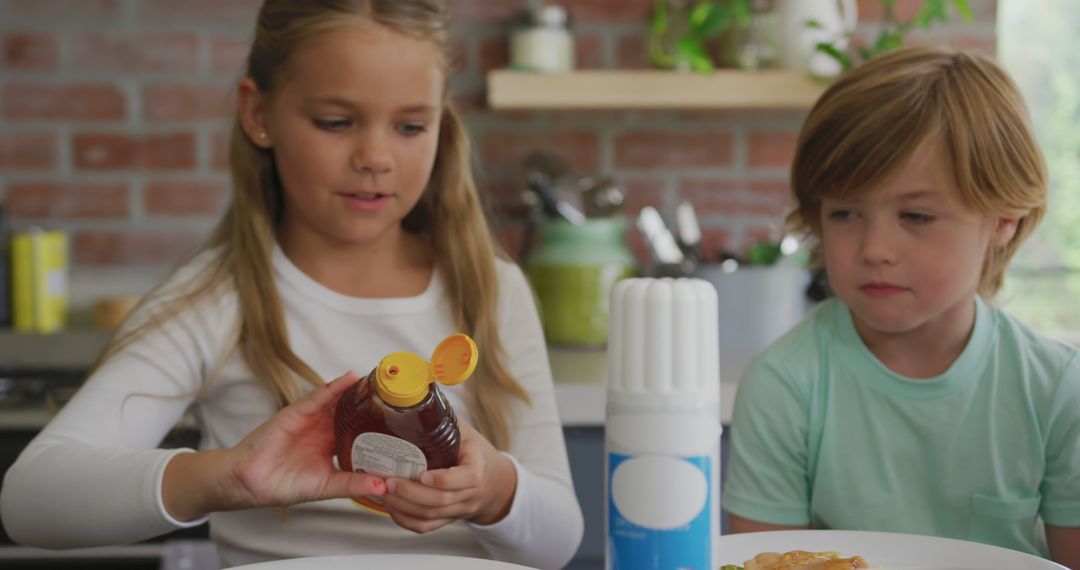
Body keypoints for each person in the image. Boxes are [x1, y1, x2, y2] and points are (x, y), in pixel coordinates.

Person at [0, 1, 584, 568]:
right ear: (258, 115)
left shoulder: (489, 288)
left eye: (410, 125)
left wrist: (496, 492)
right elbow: (30, 498)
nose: (376, 156)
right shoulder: (216, 298)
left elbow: (558, 542)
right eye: (335, 122)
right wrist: (225, 477)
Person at [721, 45, 1080, 569]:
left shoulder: (1055, 391)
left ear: (1004, 219)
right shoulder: (784, 386)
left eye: (915, 215)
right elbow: (763, 562)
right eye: (845, 212)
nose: (874, 249)